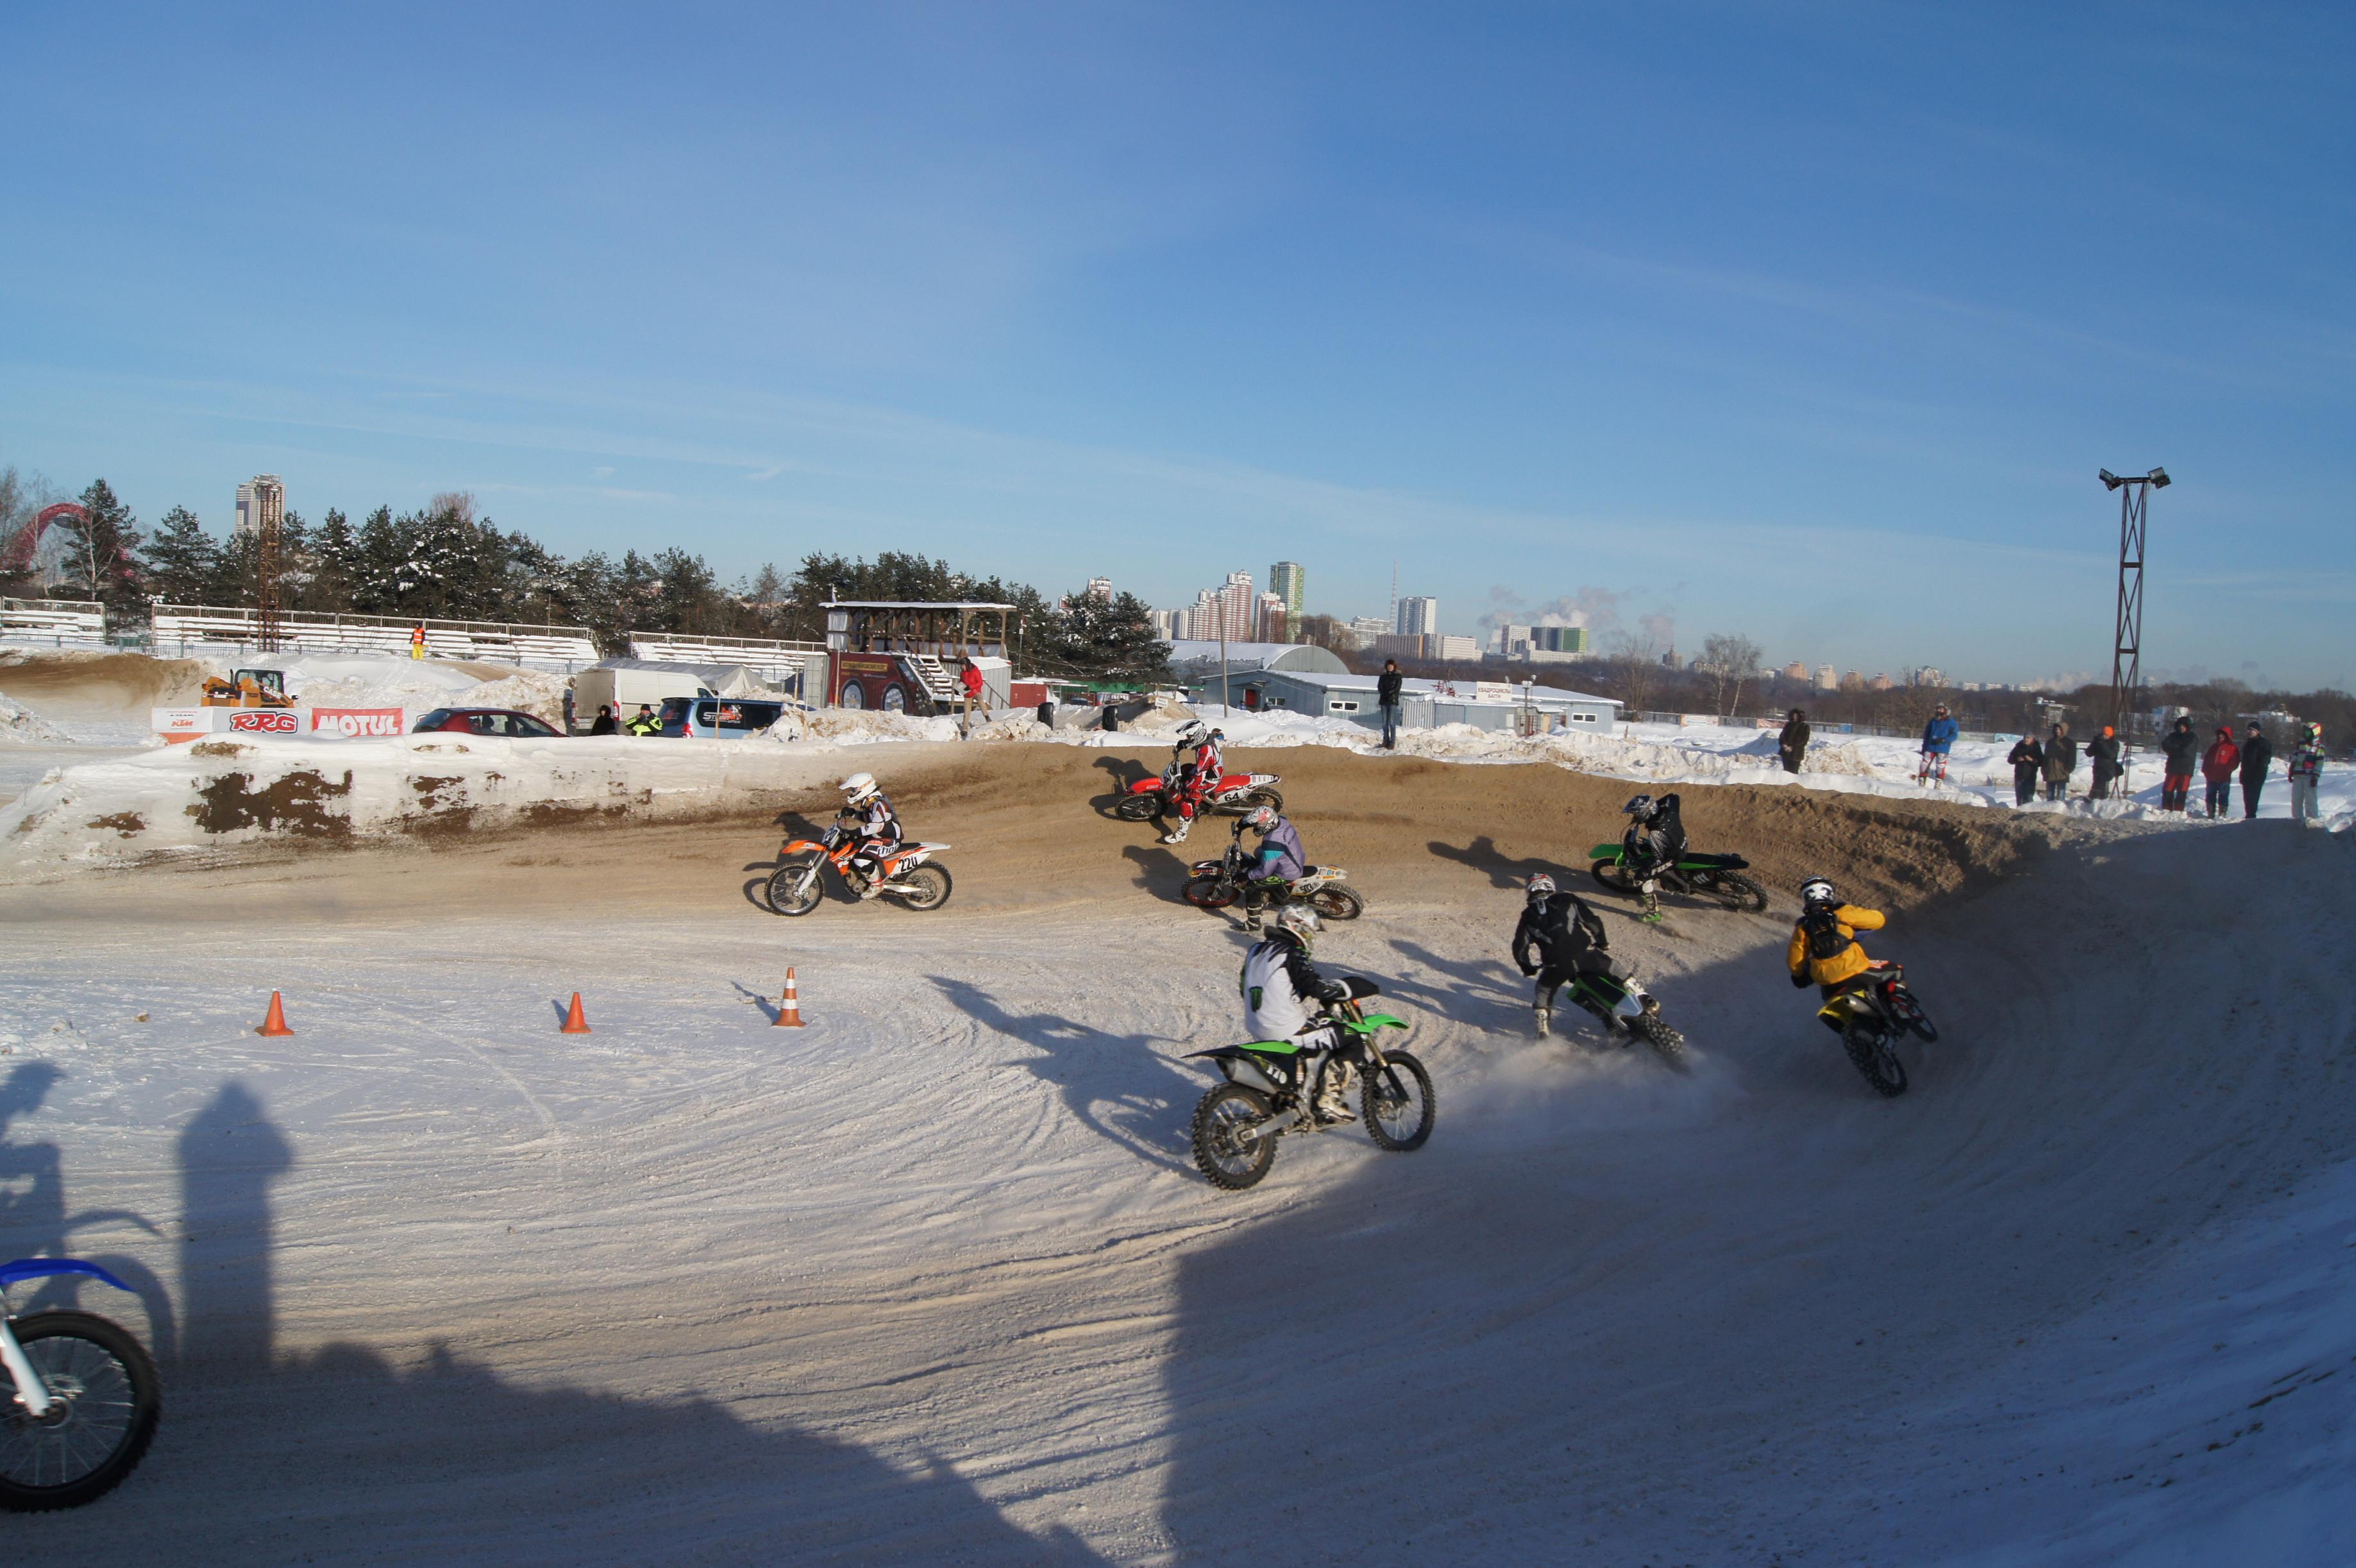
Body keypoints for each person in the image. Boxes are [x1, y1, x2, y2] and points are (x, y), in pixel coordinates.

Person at [1240, 904, 1358, 1123]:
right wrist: (1348, 988)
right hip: (1285, 1028)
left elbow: (1244, 987)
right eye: (1311, 931)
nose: (1312, 936)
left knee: (1312, 1035)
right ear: (1299, 927)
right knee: (1352, 1036)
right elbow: (1315, 986)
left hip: (1255, 1026)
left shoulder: (1255, 950)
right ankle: (1328, 1101)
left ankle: (1294, 1094)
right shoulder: (1292, 951)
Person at [1512, 873, 1625, 1038]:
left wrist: (1527, 968)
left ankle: (1543, 1032)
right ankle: (1642, 1000)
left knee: (1544, 992)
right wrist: (1602, 942)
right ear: (1551, 886)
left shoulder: (1528, 915)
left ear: (1529, 891)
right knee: (1616, 970)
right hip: (1586, 956)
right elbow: (1593, 922)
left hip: (1556, 966)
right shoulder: (1568, 899)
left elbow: (1519, 947)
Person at [1787, 877, 1892, 1002]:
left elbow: (1794, 964)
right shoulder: (1842, 912)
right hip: (1855, 969)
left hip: (1827, 982)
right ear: (1829, 893)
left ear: (1805, 897)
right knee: (1894, 970)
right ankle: (1901, 1009)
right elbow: (1879, 920)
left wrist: (1799, 976)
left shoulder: (1802, 926)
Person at [1233, 804, 1308, 931]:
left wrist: (1246, 876)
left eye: (1257, 825)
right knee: (1258, 852)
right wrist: (1244, 824)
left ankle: (1253, 924)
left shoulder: (1272, 843)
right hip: (1293, 856)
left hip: (1286, 873)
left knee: (1252, 887)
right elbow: (1261, 817)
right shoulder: (1281, 820)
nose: (1256, 827)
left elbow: (1264, 872)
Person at [1619, 793, 1686, 923]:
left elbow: (1659, 859)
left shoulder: (1656, 833)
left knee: (1642, 877)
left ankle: (1653, 913)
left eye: (1637, 814)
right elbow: (1674, 796)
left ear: (1645, 814)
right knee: (1647, 848)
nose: (1635, 817)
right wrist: (1654, 805)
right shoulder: (1670, 810)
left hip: (1673, 856)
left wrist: (1636, 862)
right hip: (1680, 842)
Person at [834, 772, 904, 897]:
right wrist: (853, 813)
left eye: (854, 789)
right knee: (852, 846)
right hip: (880, 836)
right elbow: (869, 818)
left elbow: (877, 826)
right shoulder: (871, 802)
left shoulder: (878, 804)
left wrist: (857, 831)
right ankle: (861, 876)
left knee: (861, 858)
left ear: (863, 787)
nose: (852, 792)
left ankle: (877, 885)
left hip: (889, 839)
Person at [1162, 723, 1227, 844]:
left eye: (1189, 736)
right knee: (1185, 768)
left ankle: (1181, 834)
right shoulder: (1207, 739)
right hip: (1207, 771)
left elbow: (1199, 776)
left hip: (1209, 780)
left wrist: (1187, 787)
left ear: (1197, 736)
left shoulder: (1205, 752)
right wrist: (1183, 744)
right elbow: (1217, 735)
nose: (1188, 738)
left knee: (1187, 802)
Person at [2289, 721, 2326, 829]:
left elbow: (2319, 763)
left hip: (2310, 777)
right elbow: (2294, 757)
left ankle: (2313, 823)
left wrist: (2315, 776)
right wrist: (2291, 771)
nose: (2305, 733)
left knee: (2311, 800)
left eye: (2308, 731)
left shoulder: (2319, 747)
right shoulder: (2300, 744)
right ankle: (2297, 822)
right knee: (2296, 800)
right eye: (2305, 731)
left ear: (2314, 732)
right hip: (2298, 775)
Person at [2158, 716, 2198, 812]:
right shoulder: (2173, 735)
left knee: (2182, 791)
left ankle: (2178, 811)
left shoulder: (2193, 738)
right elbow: (2165, 745)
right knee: (2168, 790)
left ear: (2188, 727)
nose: (2182, 728)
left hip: (2186, 769)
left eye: (2184, 726)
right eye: (2180, 726)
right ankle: (2166, 809)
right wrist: (2178, 748)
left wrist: (2172, 749)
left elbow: (2186, 751)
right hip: (2172, 768)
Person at [2200, 725, 2239, 820]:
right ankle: (2211, 813)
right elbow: (2207, 759)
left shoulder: (2232, 748)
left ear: (2227, 736)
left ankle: (2222, 814)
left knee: (2223, 796)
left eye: (2223, 735)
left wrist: (2227, 770)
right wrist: (2205, 770)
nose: (2220, 736)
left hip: (2224, 778)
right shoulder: (2214, 747)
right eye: (2219, 735)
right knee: (2210, 795)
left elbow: (2235, 762)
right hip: (2212, 777)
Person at [1917, 704, 1959, 785]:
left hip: (1943, 748)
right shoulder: (1933, 721)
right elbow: (1927, 735)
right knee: (1924, 765)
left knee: (1940, 767)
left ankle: (1938, 785)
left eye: (1941, 709)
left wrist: (1944, 740)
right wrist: (1924, 747)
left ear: (1946, 711)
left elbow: (1954, 736)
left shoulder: (1951, 722)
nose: (1938, 711)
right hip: (1930, 747)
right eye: (1937, 709)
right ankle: (1921, 784)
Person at [2239, 724, 2273, 820]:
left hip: (2257, 775)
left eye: (2251, 730)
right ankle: (2249, 815)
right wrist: (2243, 774)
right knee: (2247, 797)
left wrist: (2259, 775)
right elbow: (2244, 761)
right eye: (2248, 730)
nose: (2248, 732)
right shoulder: (2248, 744)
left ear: (2257, 731)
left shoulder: (2264, 744)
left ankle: (2251, 816)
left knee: (2253, 797)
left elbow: (2265, 761)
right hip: (2247, 774)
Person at [2042, 722, 2078, 802]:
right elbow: (2046, 758)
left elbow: (2072, 760)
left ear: (2064, 730)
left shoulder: (2069, 743)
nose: (2057, 731)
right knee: (2049, 798)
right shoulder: (2050, 742)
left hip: (2062, 774)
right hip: (2050, 772)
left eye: (2060, 729)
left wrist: (2067, 771)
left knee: (2061, 798)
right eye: (2056, 729)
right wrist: (2044, 769)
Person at [2007, 732, 2044, 807]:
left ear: (2033, 739)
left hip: (2030, 777)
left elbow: (2041, 762)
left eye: (2028, 738)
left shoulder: (2036, 748)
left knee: (2029, 797)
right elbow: (2010, 760)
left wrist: (2032, 760)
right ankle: (2019, 811)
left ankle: (2029, 812)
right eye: (2025, 738)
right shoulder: (2019, 747)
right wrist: (2017, 759)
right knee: (2020, 798)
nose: (2026, 740)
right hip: (2019, 776)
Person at [2088, 725, 2123, 801]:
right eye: (2104, 734)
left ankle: (2095, 797)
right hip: (2098, 768)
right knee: (2097, 783)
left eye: (2107, 735)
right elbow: (2088, 753)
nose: (2105, 736)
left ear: (2110, 735)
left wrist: (2102, 744)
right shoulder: (2098, 742)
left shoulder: (2114, 743)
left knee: (2101, 783)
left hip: (2108, 769)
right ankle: (2095, 799)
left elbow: (2111, 755)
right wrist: (2095, 743)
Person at [1376, 659, 1404, 750]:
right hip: (1384, 701)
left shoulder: (1398, 676)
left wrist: (1389, 693)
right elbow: (1379, 686)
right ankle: (1386, 740)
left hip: (1392, 701)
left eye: (1391, 666)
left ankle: (1392, 742)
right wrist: (1384, 693)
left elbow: (1397, 687)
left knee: (1392, 723)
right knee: (1384, 723)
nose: (1390, 667)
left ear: (1394, 667)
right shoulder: (1383, 676)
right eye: (1388, 666)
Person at [1778, 709, 1810, 775]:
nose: (1794, 717)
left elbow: (1804, 740)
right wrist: (1784, 745)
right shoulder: (1788, 725)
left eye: (1796, 716)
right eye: (1793, 716)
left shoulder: (1805, 726)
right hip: (1785, 752)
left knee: (1794, 772)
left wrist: (1792, 747)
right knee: (1786, 772)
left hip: (1796, 753)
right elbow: (1782, 736)